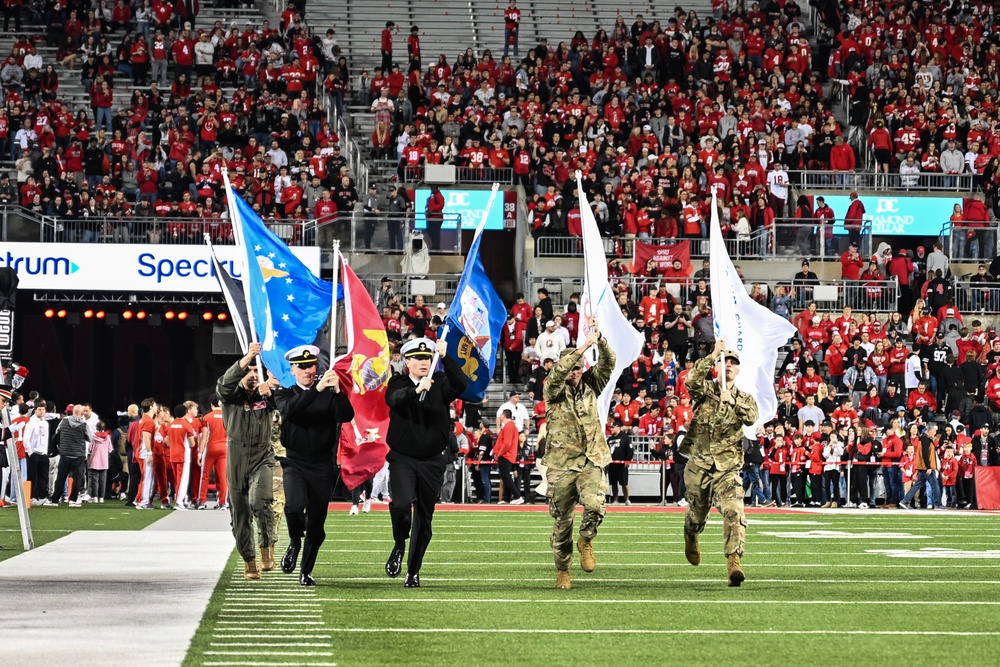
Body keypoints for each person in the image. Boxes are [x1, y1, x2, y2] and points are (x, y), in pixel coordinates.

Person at [383, 337, 468, 588]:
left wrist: (446, 357)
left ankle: (413, 570)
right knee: (400, 504)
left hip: (432, 461)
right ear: (406, 361)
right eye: (418, 358)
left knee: (424, 518)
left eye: (427, 358)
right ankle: (400, 543)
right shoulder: (397, 382)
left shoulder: (440, 382)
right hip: (403, 457)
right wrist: (416, 390)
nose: (423, 362)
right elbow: (394, 399)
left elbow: (460, 384)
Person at [542, 318, 614, 590]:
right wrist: (583, 346)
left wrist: (599, 338)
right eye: (572, 366)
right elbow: (557, 374)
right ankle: (563, 570)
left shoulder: (591, 386)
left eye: (579, 367)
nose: (575, 371)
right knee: (562, 521)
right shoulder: (554, 390)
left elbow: (609, 362)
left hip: (591, 459)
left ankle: (586, 540)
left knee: (596, 505)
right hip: (561, 464)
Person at [275, 343, 355, 586]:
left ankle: (306, 570)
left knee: (317, 524)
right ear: (292, 370)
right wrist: (317, 390)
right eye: (302, 367)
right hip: (295, 462)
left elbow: (347, 415)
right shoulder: (284, 393)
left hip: (322, 465)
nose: (308, 370)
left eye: (311, 365)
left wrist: (338, 392)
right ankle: (294, 541)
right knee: (294, 507)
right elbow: (291, 411)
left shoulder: (328, 393)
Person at [681, 340, 759, 587]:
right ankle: (691, 534)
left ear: (738, 370)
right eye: (724, 361)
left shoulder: (745, 398)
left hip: (728, 467)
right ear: (717, 367)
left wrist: (732, 401)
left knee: (734, 511)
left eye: (733, 363)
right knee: (696, 514)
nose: (728, 366)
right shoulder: (704, 390)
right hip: (700, 464)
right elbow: (690, 382)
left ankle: (734, 562)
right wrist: (713, 354)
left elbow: (751, 418)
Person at [217, 342, 279, 581]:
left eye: (257, 370)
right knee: (240, 514)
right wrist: (247, 357)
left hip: (262, 455)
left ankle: (267, 547)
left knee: (260, 500)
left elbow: (285, 406)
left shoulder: (266, 396)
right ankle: (249, 561)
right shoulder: (231, 396)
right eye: (249, 370)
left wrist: (273, 391)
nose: (253, 374)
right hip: (236, 457)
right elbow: (223, 386)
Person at [47, 405, 91, 507]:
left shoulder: (64, 422)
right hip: (78, 456)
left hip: (65, 454)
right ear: (80, 414)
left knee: (61, 478)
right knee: (77, 479)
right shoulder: (84, 425)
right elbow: (90, 438)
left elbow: (57, 433)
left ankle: (55, 500)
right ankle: (72, 500)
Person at [606, 420, 633, 505]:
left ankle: (627, 499)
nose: (612, 429)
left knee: (624, 483)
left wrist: (628, 460)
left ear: (618, 427)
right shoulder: (610, 439)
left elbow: (630, 449)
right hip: (612, 464)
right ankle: (616, 500)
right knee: (613, 483)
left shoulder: (625, 437)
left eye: (613, 427)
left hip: (622, 464)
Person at [424, 183, 445, 250]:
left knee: (435, 233)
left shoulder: (438, 195)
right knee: (431, 232)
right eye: (431, 188)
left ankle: (436, 247)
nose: (432, 189)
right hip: (430, 217)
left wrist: (432, 209)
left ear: (436, 188)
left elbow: (441, 205)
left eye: (433, 188)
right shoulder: (432, 196)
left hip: (436, 217)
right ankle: (434, 246)